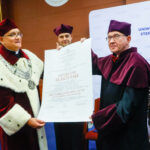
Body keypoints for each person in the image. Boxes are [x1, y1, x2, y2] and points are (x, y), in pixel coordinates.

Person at [91, 20, 150, 150]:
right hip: (109, 131)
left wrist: (98, 118)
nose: (111, 40)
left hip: (128, 136)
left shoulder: (136, 64)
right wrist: (77, 49)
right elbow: (92, 64)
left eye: (116, 36)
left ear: (128, 38)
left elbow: (126, 108)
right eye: (109, 37)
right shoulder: (111, 60)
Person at [0, 18, 48, 150]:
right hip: (17, 130)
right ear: (1, 39)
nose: (17, 37)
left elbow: (50, 74)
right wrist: (27, 120)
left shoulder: (29, 55)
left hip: (37, 123)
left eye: (19, 34)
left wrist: (64, 53)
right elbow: (2, 104)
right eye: (12, 34)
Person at [53, 24, 85, 150]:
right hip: (60, 106)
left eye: (67, 36)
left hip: (77, 104)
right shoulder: (53, 57)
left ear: (72, 37)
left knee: (77, 139)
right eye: (61, 36)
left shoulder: (80, 52)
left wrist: (84, 49)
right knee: (62, 139)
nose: (64, 38)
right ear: (58, 40)